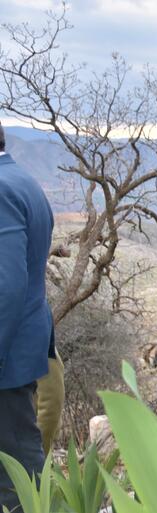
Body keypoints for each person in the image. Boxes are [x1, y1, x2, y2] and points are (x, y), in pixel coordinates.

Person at [0, 121, 54, 510]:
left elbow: (5, 286)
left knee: (17, 470)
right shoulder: (20, 178)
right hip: (22, 341)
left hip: (8, 352)